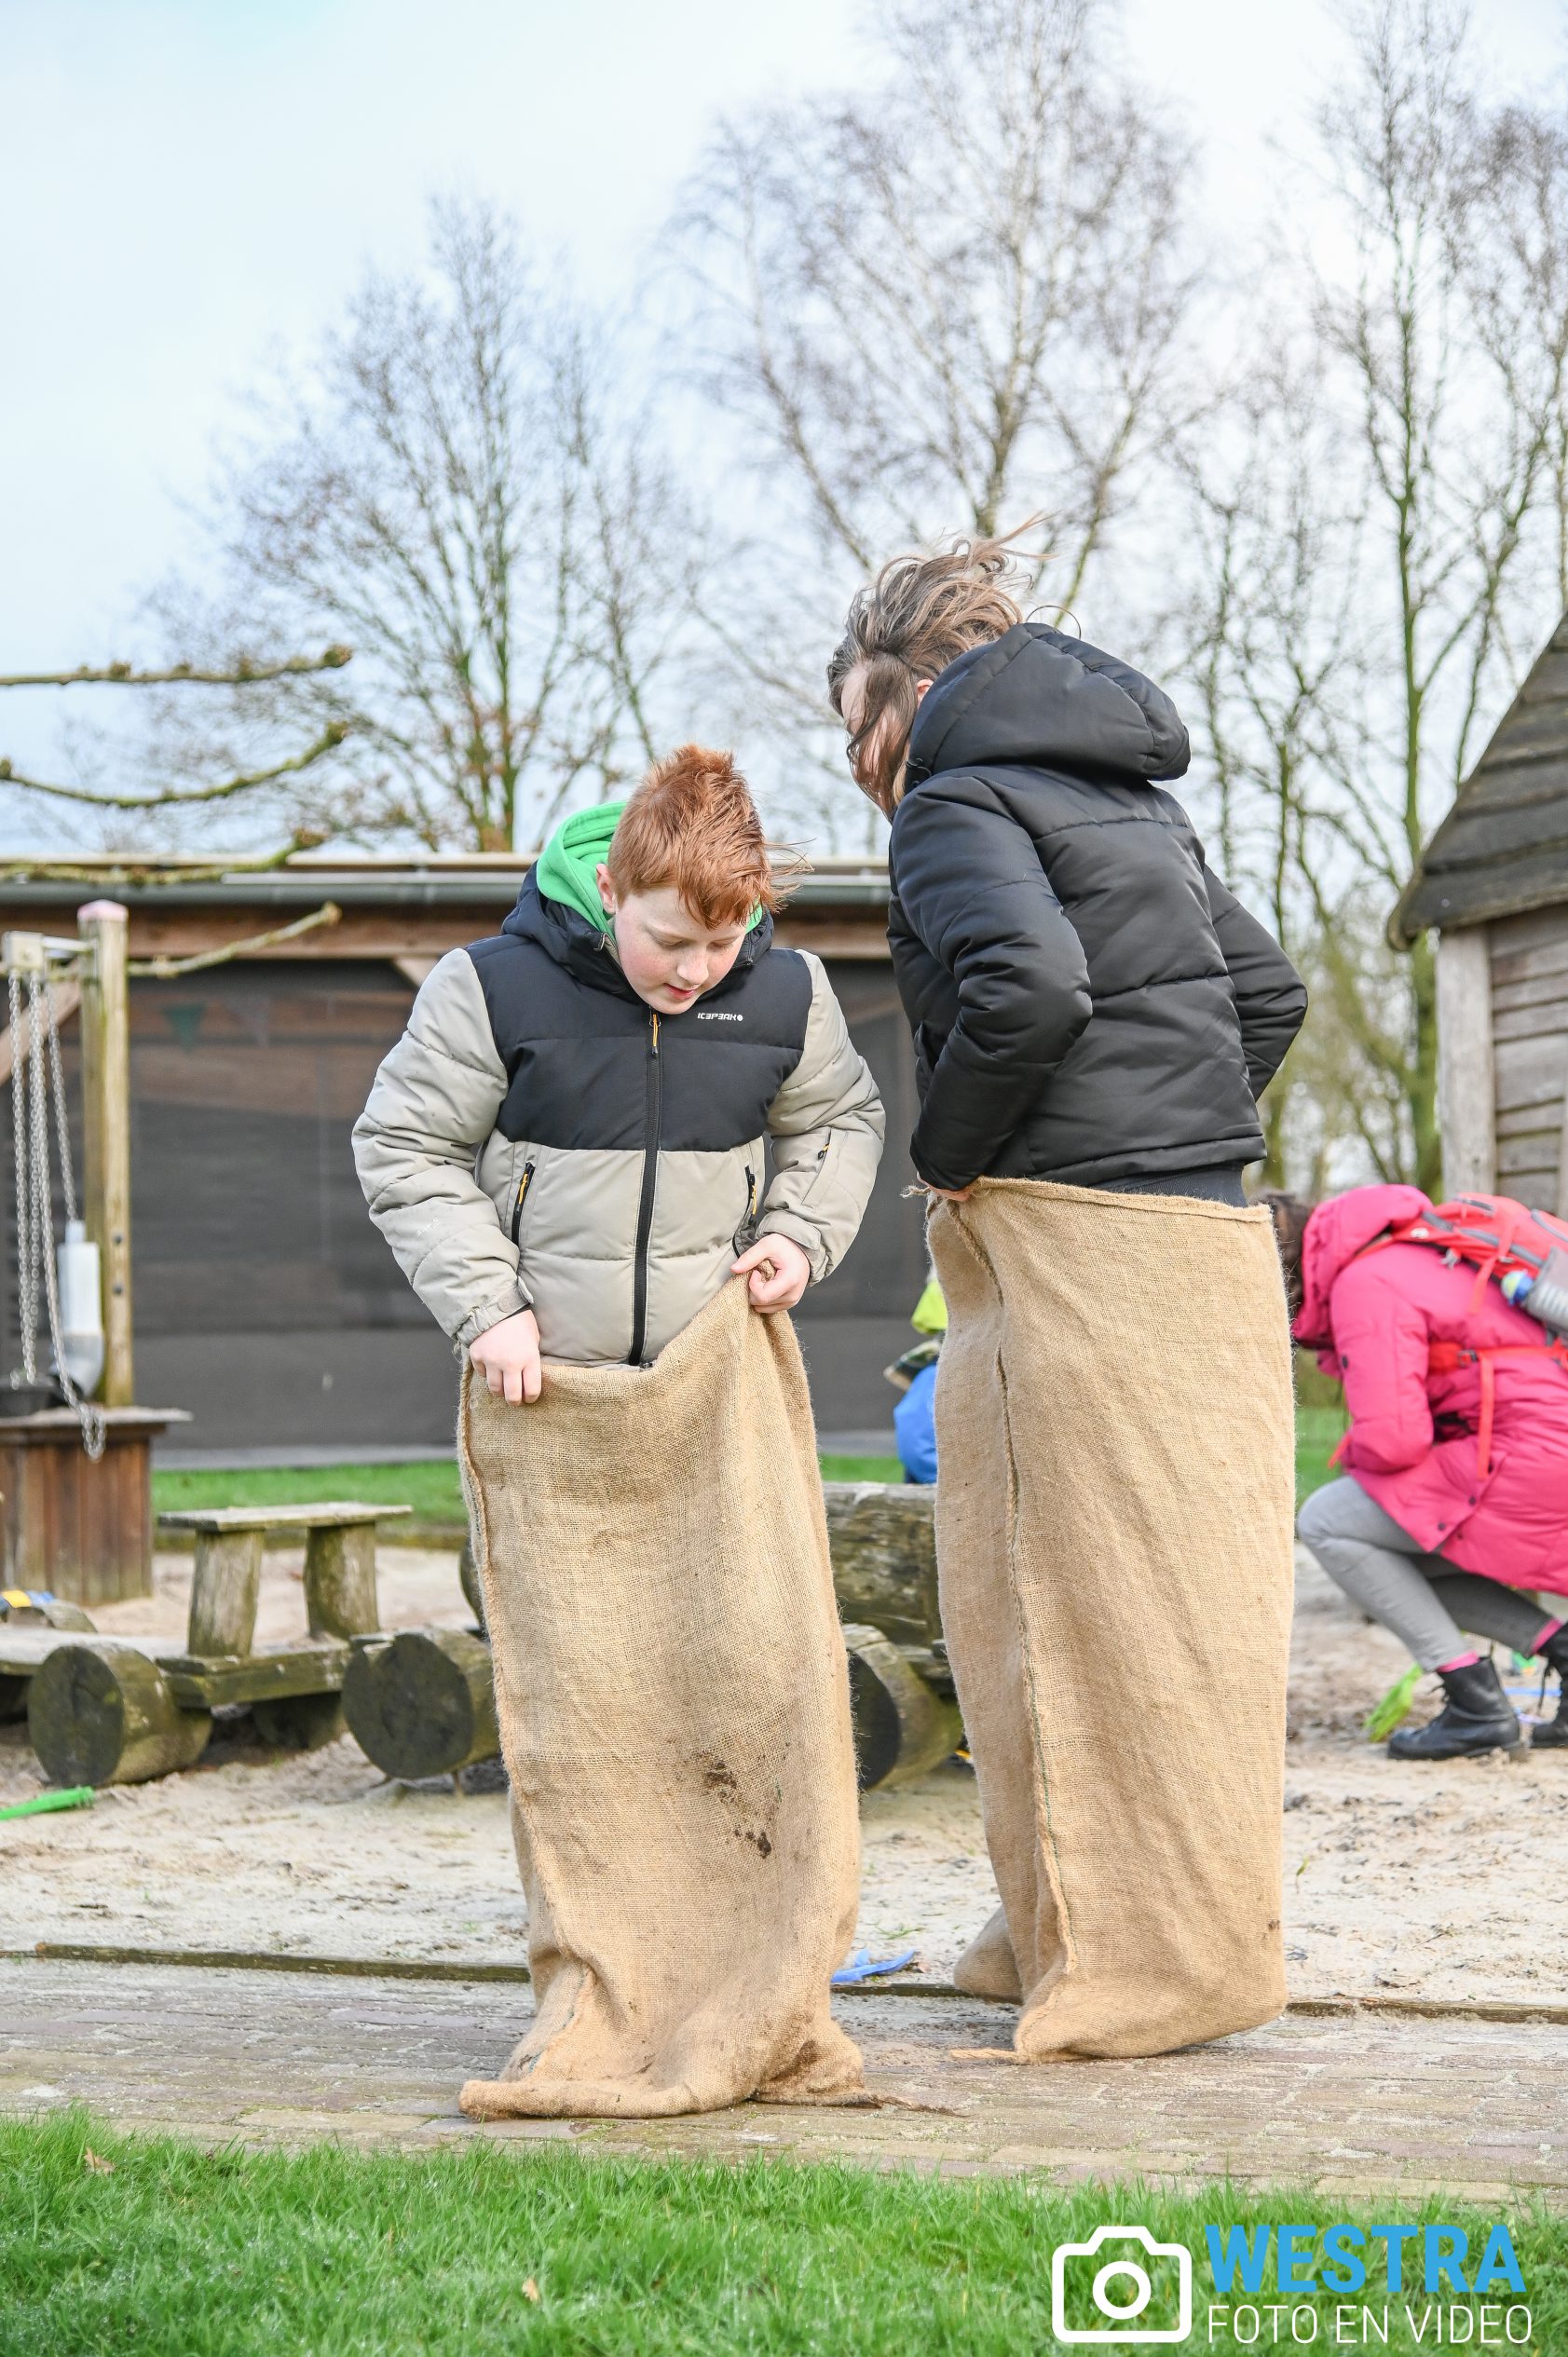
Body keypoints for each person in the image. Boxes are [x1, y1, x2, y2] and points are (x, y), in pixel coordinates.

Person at [825, 530, 1307, 2063]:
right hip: (1202, 1233)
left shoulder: (953, 801)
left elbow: (1027, 988)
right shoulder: (1131, 797)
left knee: (1052, 1600)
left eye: (852, 721)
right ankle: (1058, 1926)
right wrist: (1175, 1131)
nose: (853, 757)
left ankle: (1121, 1961)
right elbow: (1266, 993)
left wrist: (950, 1156)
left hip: (1070, 1237)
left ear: (902, 697)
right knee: (1171, 1613)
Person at [353, 746, 885, 2119]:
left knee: (747, 1681)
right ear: (611, 891)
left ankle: (754, 1988)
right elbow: (403, 1146)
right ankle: (597, 1989)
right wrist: (489, 1306)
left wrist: (798, 1233)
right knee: (583, 1707)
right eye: (669, 940)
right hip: (553, 1395)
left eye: (723, 942)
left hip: (715, 1390)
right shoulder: (492, 985)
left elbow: (841, 1118)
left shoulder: (786, 991)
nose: (697, 971)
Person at [1278, 1185, 1568, 1759]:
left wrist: (1360, 1464)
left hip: (1533, 1455)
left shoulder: (1365, 1282)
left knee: (1329, 1522)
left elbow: (1394, 1439)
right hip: (1541, 1448)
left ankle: (1476, 1705)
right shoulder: (1418, 1249)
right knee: (1393, 1547)